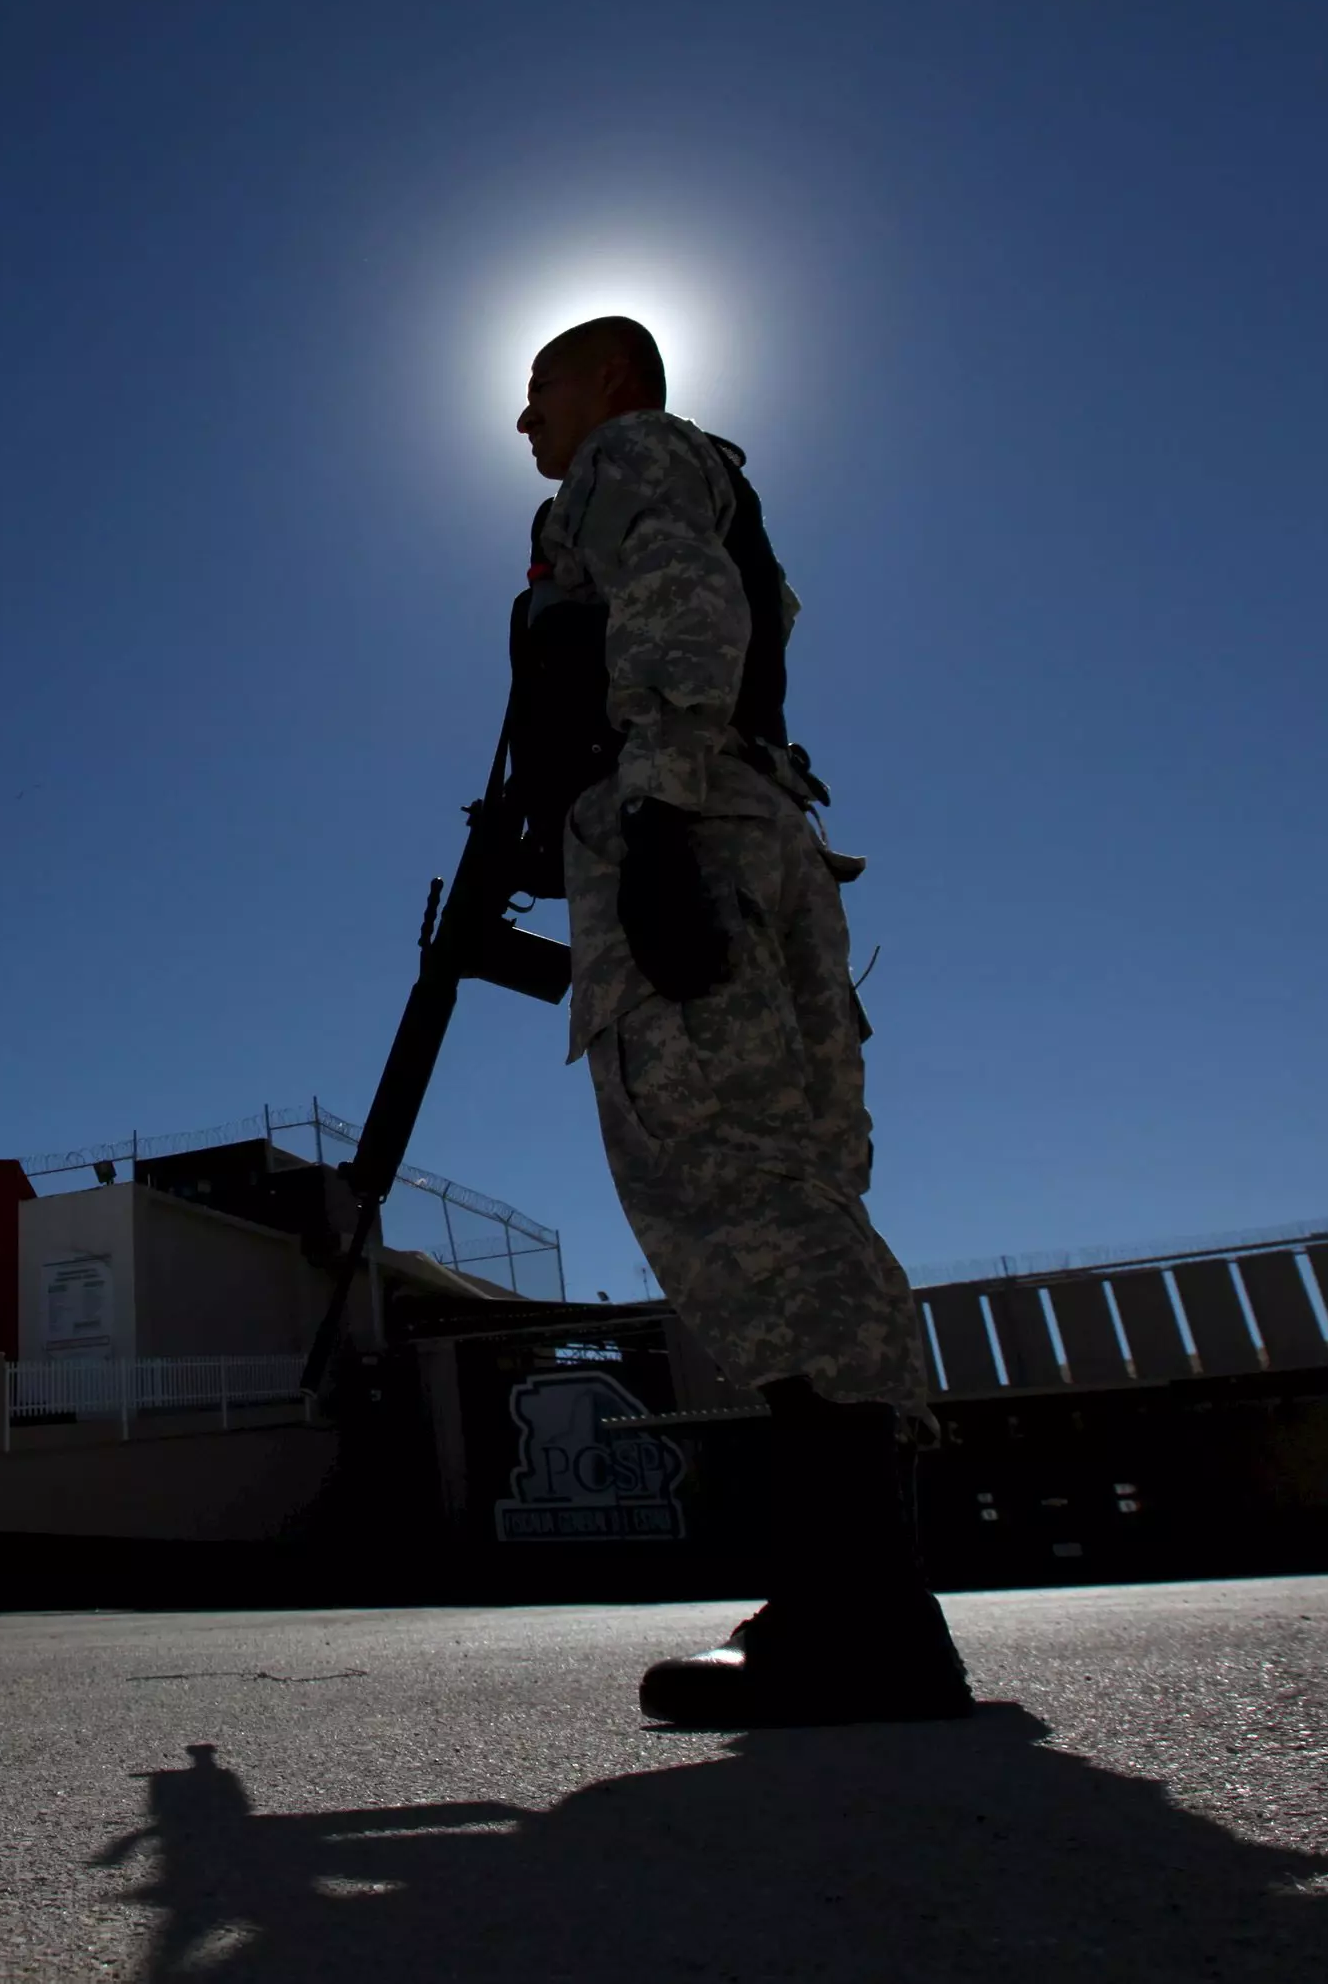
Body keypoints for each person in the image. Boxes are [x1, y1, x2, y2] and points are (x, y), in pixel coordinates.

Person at [513, 314, 971, 1727]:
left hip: (691, 822)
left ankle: (863, 1618)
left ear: (617, 385)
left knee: (744, 1195)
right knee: (798, 1195)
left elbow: (672, 601)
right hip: (748, 820)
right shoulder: (706, 478)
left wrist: (650, 799)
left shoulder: (632, 454)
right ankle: (861, 1596)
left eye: (540, 394)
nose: (525, 427)